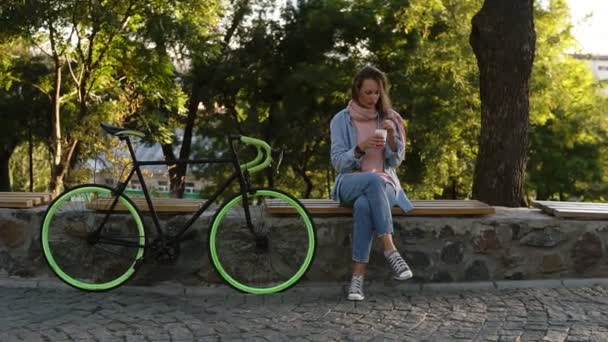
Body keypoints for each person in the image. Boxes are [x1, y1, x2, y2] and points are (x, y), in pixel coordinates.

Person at [329, 65, 414, 301]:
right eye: (368, 92)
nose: (373, 97)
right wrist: (360, 148)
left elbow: (395, 162)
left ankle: (357, 280)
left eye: (377, 92)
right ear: (357, 91)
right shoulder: (341, 120)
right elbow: (338, 163)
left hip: (384, 184)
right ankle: (390, 248)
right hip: (350, 182)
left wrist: (394, 139)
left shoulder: (390, 118)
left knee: (365, 205)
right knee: (370, 182)